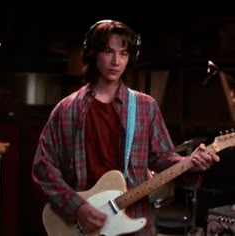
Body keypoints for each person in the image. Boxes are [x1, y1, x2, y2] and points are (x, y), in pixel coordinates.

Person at [31, 19, 220, 236]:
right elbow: (43, 167)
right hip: (84, 224)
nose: (116, 61)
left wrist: (190, 164)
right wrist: (77, 207)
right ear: (93, 54)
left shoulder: (144, 106)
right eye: (108, 51)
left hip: (135, 222)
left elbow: (161, 157)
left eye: (123, 53)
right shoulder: (67, 109)